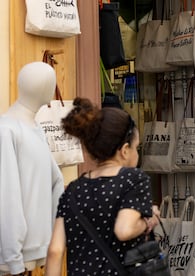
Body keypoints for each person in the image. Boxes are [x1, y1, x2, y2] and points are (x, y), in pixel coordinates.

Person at [45, 97, 160, 275]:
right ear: (124, 150)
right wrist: (149, 221)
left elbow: (55, 251)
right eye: (136, 147)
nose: (136, 153)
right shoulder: (133, 179)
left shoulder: (74, 189)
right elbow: (124, 230)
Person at [0, 62, 65, 275]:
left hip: (32, 254)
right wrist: (14, 259)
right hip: (13, 260)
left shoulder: (35, 128)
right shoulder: (7, 130)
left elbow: (56, 182)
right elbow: (6, 197)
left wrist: (51, 242)